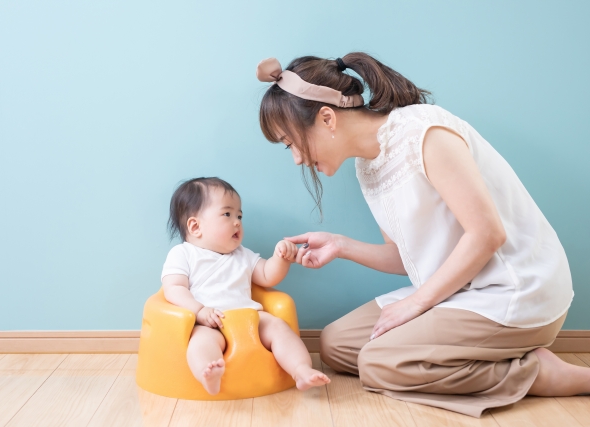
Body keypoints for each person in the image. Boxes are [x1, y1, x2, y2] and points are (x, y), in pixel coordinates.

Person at [256, 53, 588, 417]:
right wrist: (341, 245)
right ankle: (491, 355)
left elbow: (487, 234)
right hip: (459, 289)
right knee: (336, 345)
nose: (297, 159)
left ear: (327, 118)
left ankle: (539, 373)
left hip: (515, 289)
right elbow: (407, 257)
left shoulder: (422, 133)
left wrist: (416, 304)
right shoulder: (368, 168)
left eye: (291, 143)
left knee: (379, 363)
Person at [161, 177, 330, 395]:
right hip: (210, 322)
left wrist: (281, 257)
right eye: (227, 214)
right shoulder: (183, 254)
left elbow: (267, 275)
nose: (237, 221)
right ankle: (208, 374)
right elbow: (174, 288)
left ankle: (301, 370)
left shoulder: (243, 254)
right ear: (195, 226)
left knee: (279, 328)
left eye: (239, 215)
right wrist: (199, 311)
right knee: (201, 343)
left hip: (252, 318)